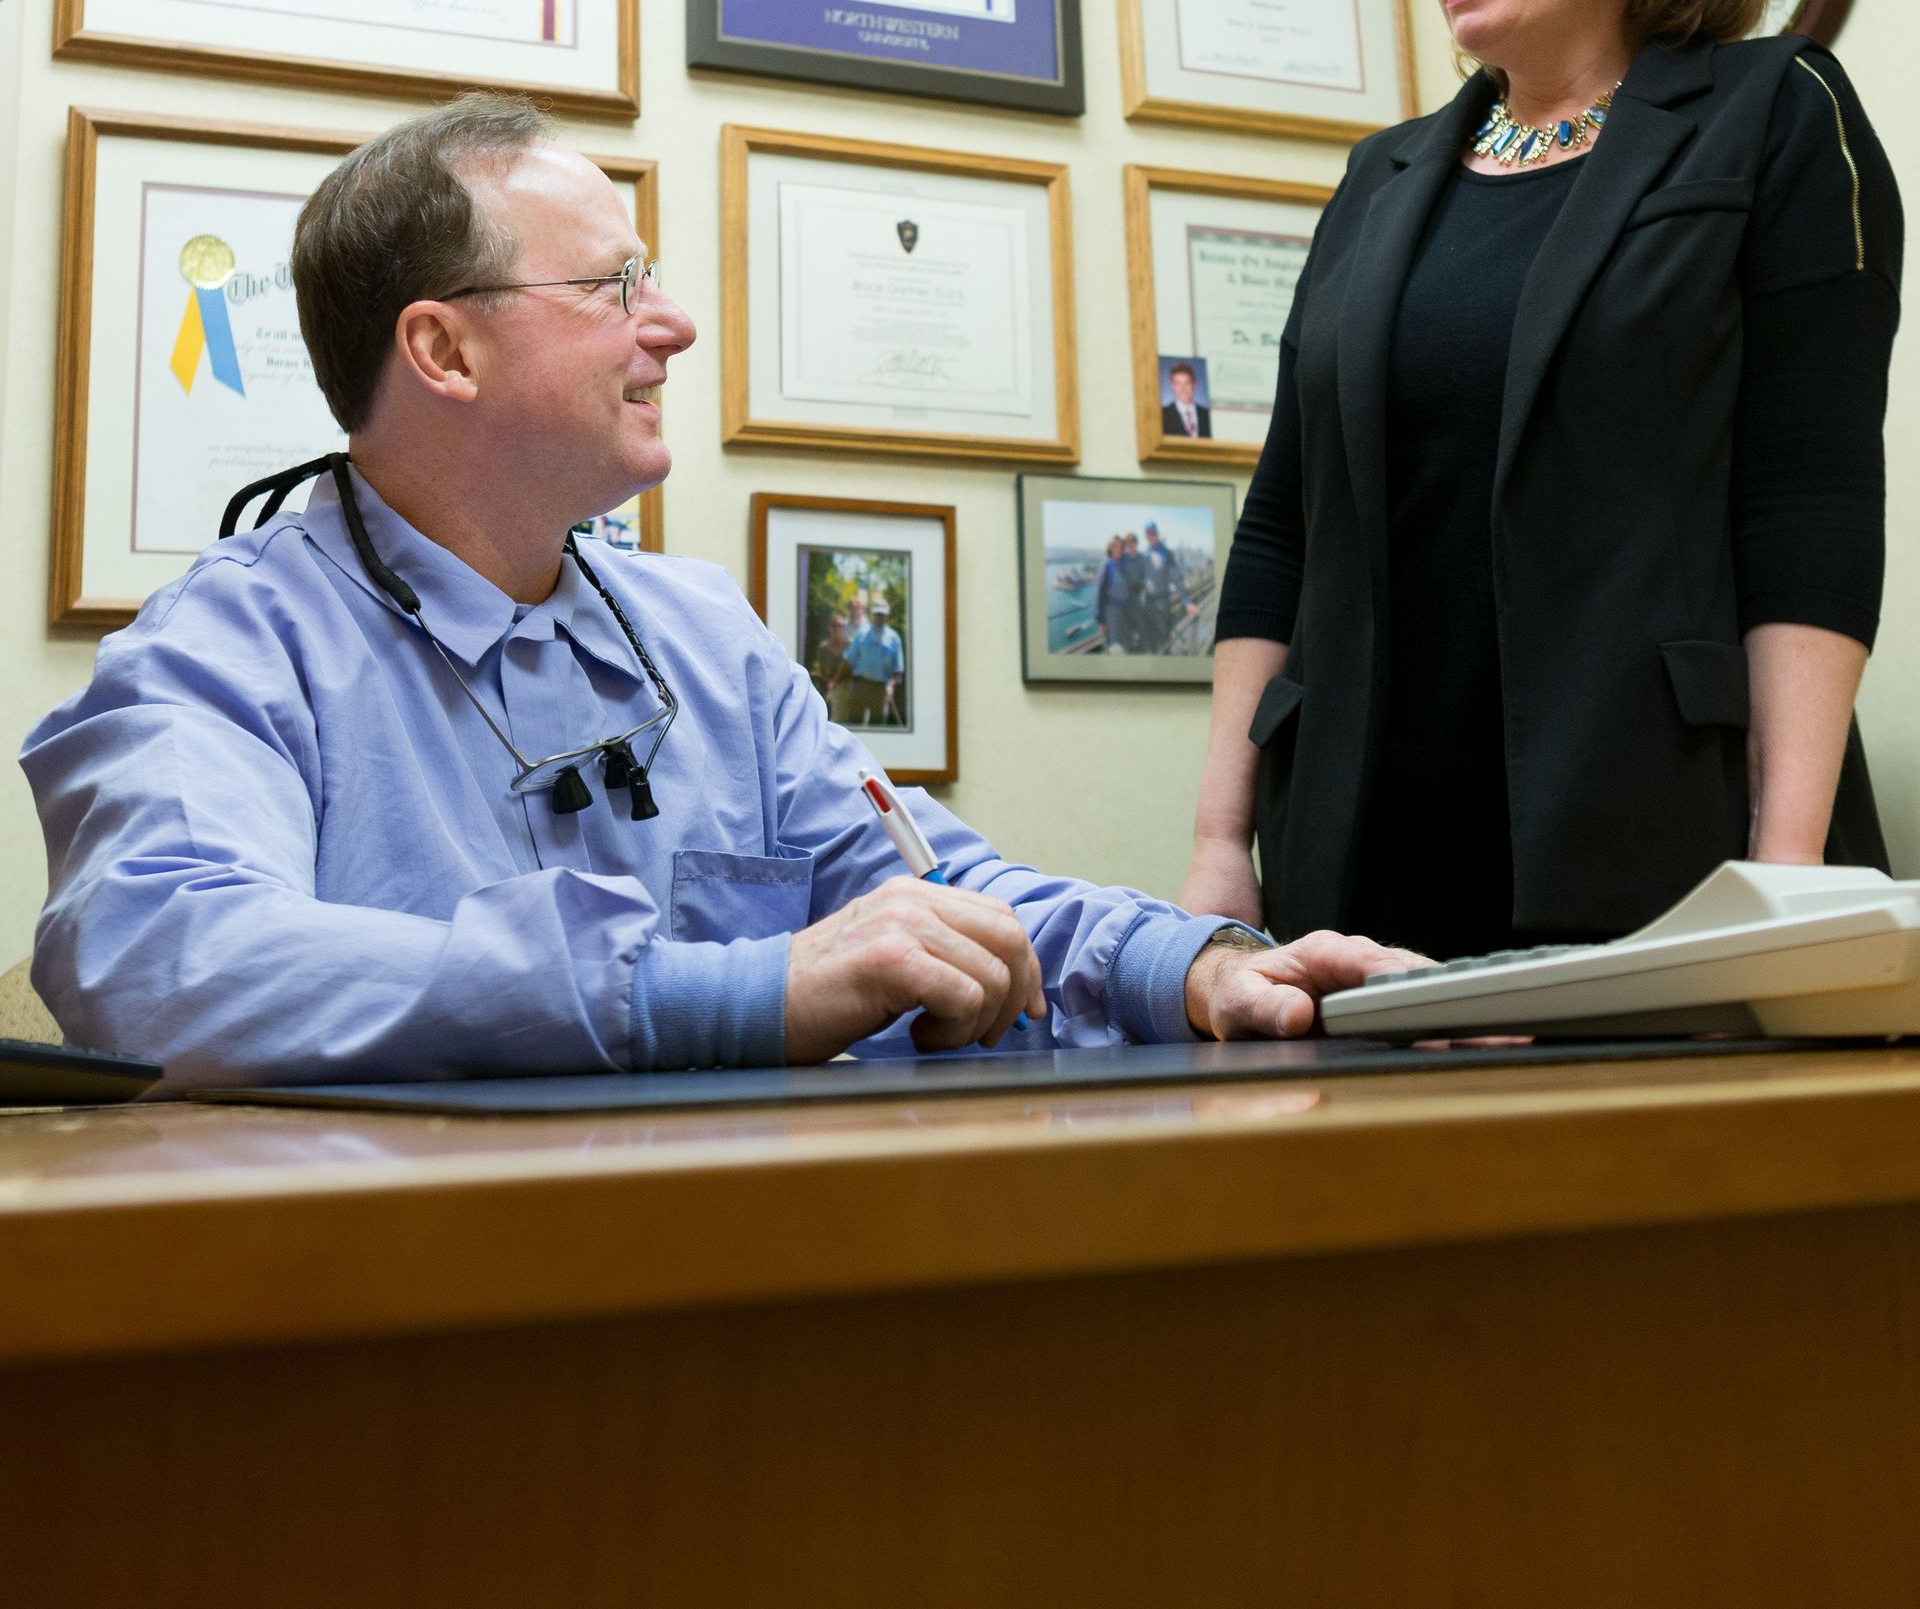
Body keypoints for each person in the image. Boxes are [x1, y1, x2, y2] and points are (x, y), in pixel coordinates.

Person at [25, 97, 1414, 1089]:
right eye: (615, 282)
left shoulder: (696, 633)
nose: (672, 321)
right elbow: (165, 959)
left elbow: (930, 897)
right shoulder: (225, 647)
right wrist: (725, 991)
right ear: (442, 350)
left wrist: (1201, 970)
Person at [1181, 0, 1901, 963]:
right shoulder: (1380, 176)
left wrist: (1786, 873)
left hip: (1668, 838)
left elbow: (1809, 505)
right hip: (1361, 855)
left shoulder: (1775, 112)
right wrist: (1216, 847)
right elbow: (1284, 527)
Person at [837, 594, 904, 725]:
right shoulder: (862, 633)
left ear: (887, 616)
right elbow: (848, 659)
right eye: (877, 614)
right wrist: (836, 681)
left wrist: (891, 685)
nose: (880, 617)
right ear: (873, 615)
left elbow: (898, 669)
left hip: (880, 689)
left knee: (877, 724)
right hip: (859, 685)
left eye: (882, 615)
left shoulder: (894, 638)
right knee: (853, 723)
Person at [1140, 522, 1191, 651]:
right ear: (1145, 536)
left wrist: (1187, 601)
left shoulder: (1166, 553)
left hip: (1163, 601)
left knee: (1164, 635)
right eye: (1148, 533)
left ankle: (1166, 659)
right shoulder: (1145, 553)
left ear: (1157, 533)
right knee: (1151, 634)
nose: (1150, 536)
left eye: (1152, 533)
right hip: (1148, 601)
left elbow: (1177, 578)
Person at [1094, 537, 1131, 653]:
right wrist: (1101, 620)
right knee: (1112, 645)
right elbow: (1098, 594)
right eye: (1115, 546)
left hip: (1123, 610)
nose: (1118, 549)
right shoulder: (1106, 565)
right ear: (1109, 548)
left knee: (1121, 643)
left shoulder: (1121, 563)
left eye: (1121, 546)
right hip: (1110, 612)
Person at [808, 609, 849, 707]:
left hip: (845, 686)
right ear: (829, 628)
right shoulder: (823, 648)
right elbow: (819, 669)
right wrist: (829, 682)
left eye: (841, 626)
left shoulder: (849, 646)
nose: (838, 629)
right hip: (826, 686)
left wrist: (835, 683)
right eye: (835, 625)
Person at [1161, 363, 1212, 439]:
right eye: (1178, 384)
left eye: (1187, 383)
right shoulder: (1162, 415)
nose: (1183, 389)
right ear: (1172, 386)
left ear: (1194, 385)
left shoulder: (1207, 414)